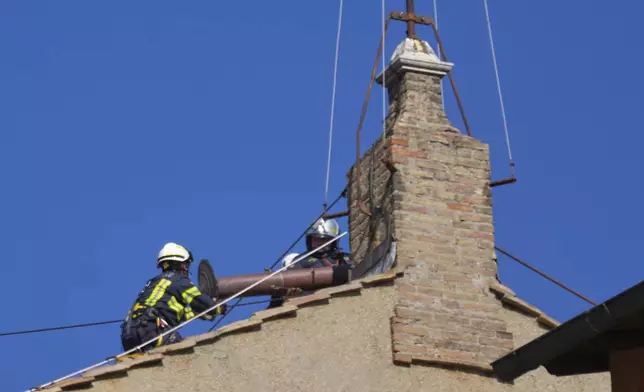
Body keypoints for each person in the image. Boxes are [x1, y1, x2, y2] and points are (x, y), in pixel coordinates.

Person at [120, 242, 225, 352]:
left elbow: (173, 311)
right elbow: (201, 302)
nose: (187, 269)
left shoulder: (154, 284)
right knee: (184, 353)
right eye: (186, 264)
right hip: (150, 331)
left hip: (129, 337)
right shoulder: (178, 280)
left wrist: (199, 314)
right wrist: (219, 307)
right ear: (181, 264)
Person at [267, 218, 352, 308]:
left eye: (324, 239)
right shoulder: (301, 260)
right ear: (309, 240)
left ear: (334, 241)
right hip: (313, 304)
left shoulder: (345, 258)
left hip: (344, 300)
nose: (319, 243)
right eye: (315, 239)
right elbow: (284, 285)